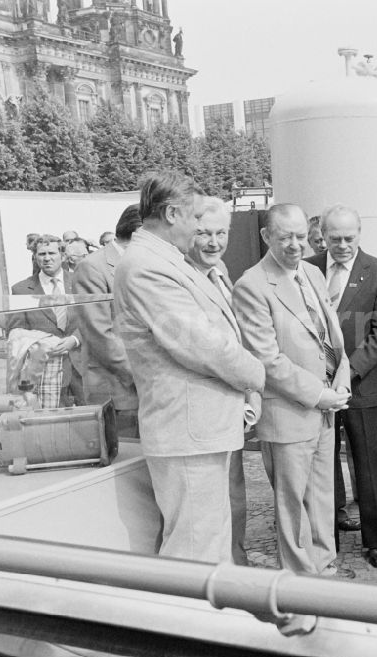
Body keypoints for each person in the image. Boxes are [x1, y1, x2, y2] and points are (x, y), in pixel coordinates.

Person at [114, 171, 265, 564]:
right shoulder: (149, 266)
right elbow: (204, 346)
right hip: (187, 429)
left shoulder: (164, 260)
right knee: (195, 553)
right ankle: (187, 625)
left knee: (208, 545)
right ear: (171, 213)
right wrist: (261, 375)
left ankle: (206, 621)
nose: (201, 228)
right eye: (195, 218)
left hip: (198, 428)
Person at [233, 203, 351, 594]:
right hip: (290, 411)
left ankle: (325, 570)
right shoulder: (251, 285)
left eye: (302, 236)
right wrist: (319, 394)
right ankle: (301, 585)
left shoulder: (314, 272)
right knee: (292, 505)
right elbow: (267, 359)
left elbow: (331, 336)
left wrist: (343, 379)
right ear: (266, 236)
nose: (297, 245)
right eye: (286, 237)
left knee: (321, 496)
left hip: (325, 407)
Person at [304, 204, 377, 569]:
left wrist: (350, 371)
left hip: (362, 385)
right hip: (316, 386)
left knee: (368, 465)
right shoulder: (307, 268)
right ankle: (327, 540)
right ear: (323, 236)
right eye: (334, 238)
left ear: (360, 233)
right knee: (322, 465)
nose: (342, 245)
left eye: (349, 238)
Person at [182, 197, 253, 566]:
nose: (213, 242)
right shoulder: (181, 277)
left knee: (234, 493)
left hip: (231, 404)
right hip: (203, 409)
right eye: (204, 233)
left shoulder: (220, 269)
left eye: (221, 233)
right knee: (206, 506)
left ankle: (236, 562)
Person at [74, 204, 142, 437]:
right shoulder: (92, 268)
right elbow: (99, 336)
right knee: (126, 466)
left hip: (148, 390)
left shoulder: (141, 263)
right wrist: (143, 377)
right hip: (119, 391)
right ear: (139, 233)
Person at [8, 235, 85, 407]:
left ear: (63, 256)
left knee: (90, 422)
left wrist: (75, 339)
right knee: (52, 425)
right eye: (42, 254)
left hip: (82, 367)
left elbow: (93, 318)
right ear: (35, 257)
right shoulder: (21, 290)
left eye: (52, 253)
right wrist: (44, 344)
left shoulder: (80, 282)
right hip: (44, 372)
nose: (47, 258)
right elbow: (15, 334)